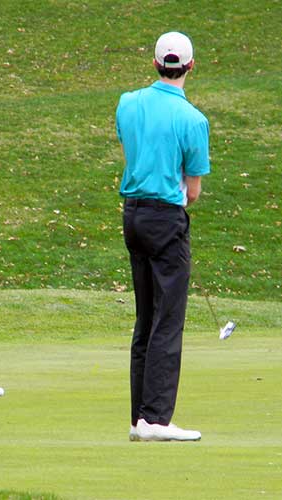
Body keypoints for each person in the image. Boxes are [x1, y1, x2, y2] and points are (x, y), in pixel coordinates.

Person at [116, 31, 210, 440]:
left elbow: (132, 148)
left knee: (146, 318)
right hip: (165, 218)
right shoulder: (193, 120)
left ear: (155, 63)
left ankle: (141, 418)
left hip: (133, 216)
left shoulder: (127, 103)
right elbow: (192, 191)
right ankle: (155, 419)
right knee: (167, 320)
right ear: (190, 66)